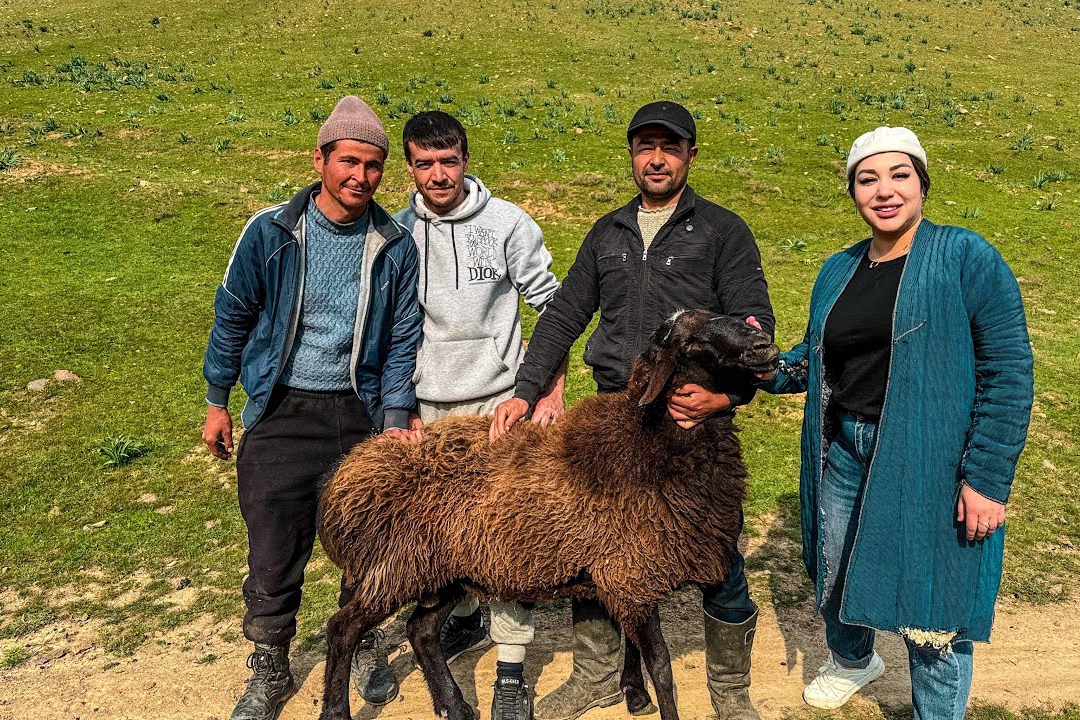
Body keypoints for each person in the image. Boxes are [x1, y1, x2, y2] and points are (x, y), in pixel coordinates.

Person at [492, 101, 775, 720]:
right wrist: (526, 387)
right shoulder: (608, 232)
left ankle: (732, 692)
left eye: (669, 148)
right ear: (631, 154)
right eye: (646, 146)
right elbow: (566, 313)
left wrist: (726, 397)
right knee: (593, 545)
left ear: (690, 156)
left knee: (715, 551)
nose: (657, 158)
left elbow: (754, 328)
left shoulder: (723, 231)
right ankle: (597, 675)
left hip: (690, 419)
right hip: (614, 415)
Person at [757, 126, 1033, 720]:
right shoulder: (838, 269)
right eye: (867, 178)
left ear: (922, 184)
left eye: (899, 175)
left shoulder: (964, 257)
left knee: (930, 603)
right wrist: (761, 368)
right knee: (831, 565)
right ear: (854, 192)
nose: (884, 191)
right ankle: (855, 658)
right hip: (844, 448)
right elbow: (817, 356)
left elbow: (1008, 370)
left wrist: (985, 479)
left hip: (928, 456)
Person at [202, 95, 422, 720]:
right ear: (321, 159)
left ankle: (364, 641)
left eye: (375, 166)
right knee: (275, 542)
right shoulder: (270, 232)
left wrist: (396, 416)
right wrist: (218, 398)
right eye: (349, 161)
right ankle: (270, 663)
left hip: (359, 410)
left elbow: (404, 334)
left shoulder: (393, 242)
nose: (361, 177)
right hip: (282, 409)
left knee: (369, 540)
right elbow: (234, 314)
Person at [393, 110, 566, 720]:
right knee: (442, 533)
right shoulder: (395, 234)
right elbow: (391, 327)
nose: (438, 175)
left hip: (500, 406)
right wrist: (403, 407)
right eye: (424, 164)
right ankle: (463, 617)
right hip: (431, 405)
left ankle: (513, 667)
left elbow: (553, 310)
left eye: (449, 161)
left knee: (509, 536)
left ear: (466, 159)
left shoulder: (508, 223)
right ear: (410, 167)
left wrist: (547, 392)